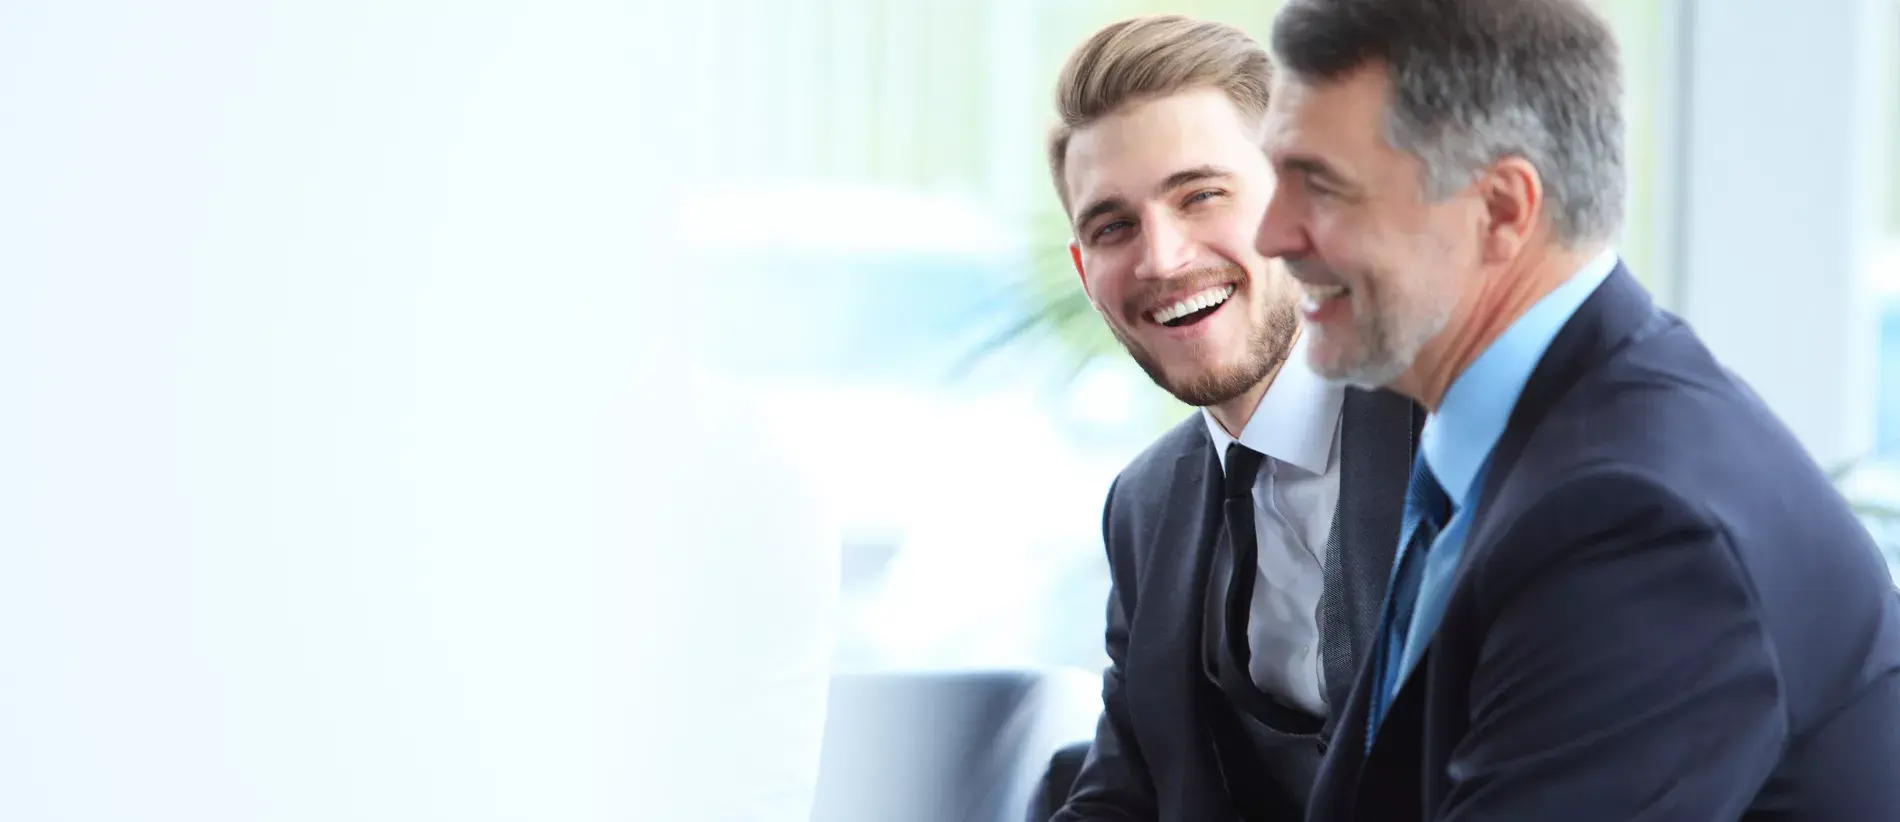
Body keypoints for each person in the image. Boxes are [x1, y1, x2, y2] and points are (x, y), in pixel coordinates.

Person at [1252, 0, 1900, 818]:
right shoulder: (1521, 444)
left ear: (1502, 210)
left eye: (1322, 187)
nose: (1270, 235)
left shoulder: (1635, 522)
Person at [1042, 15, 1420, 820]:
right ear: (1085, 272)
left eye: (1201, 195)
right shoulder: (1144, 508)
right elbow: (1125, 797)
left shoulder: (1449, 436)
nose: (1163, 259)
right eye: (1113, 227)